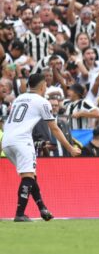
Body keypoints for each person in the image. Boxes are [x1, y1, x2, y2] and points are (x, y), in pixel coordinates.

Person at [0, 74, 81, 222]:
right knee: (28, 177)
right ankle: (19, 214)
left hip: (7, 140)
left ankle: (42, 208)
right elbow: (54, 128)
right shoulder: (42, 102)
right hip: (22, 141)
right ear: (43, 86)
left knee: (30, 177)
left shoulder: (19, 98)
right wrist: (70, 148)